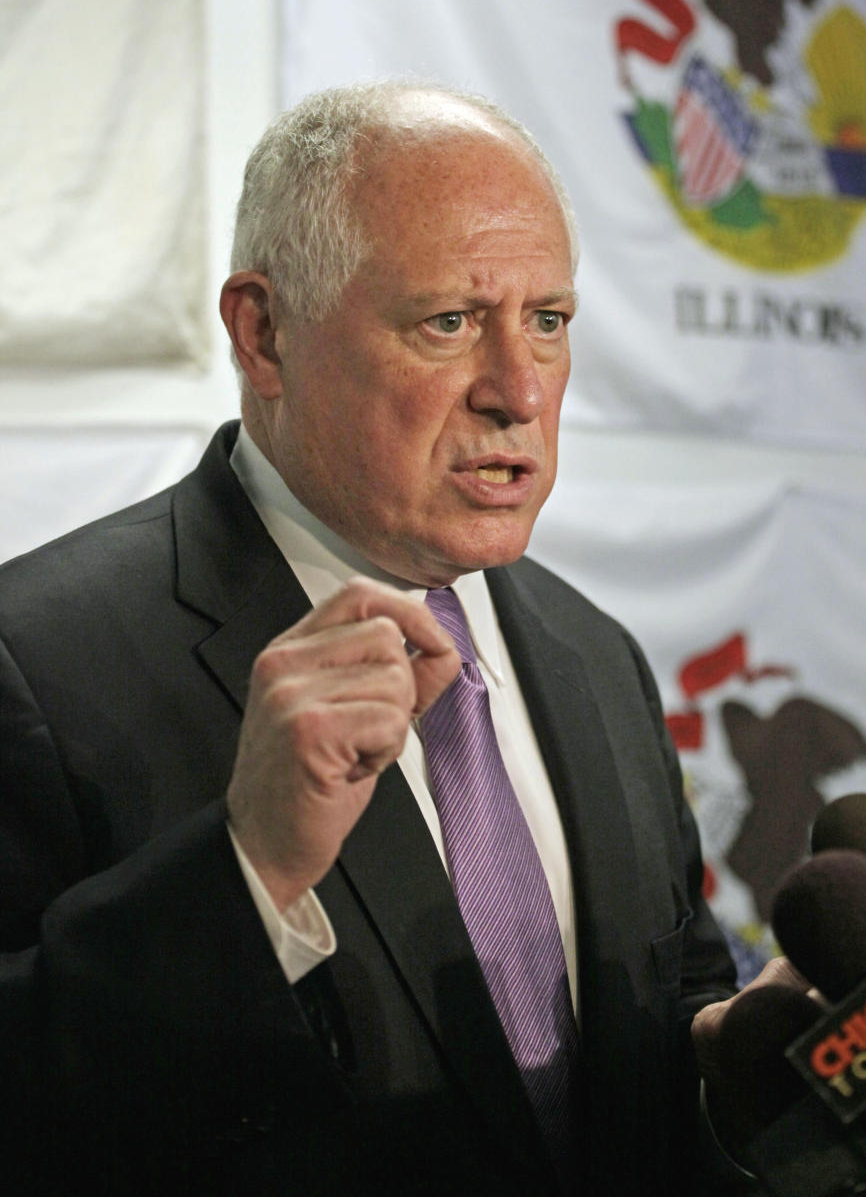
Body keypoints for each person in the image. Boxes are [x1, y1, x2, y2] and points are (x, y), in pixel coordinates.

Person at [0, 81, 751, 1195]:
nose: (516, 391)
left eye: (547, 321)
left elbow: (665, 1018)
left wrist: (753, 1060)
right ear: (265, 334)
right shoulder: (38, 660)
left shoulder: (595, 657)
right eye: (447, 322)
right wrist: (247, 871)